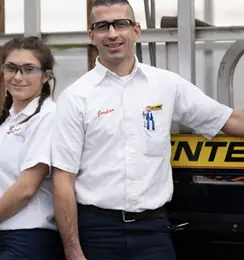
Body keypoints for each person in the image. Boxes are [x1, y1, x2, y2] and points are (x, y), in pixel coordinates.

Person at [51, 0, 244, 259]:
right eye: (102, 26)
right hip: (97, 232)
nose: (112, 33)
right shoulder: (75, 97)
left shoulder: (166, 85)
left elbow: (229, 120)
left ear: (136, 30)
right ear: (91, 35)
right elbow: (63, 179)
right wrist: (73, 251)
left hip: (153, 232)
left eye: (120, 23)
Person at [0, 36, 65, 260]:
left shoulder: (47, 117)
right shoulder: (9, 120)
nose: (18, 77)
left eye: (28, 69)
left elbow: (26, 188)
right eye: (11, 68)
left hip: (29, 239)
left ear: (46, 75)